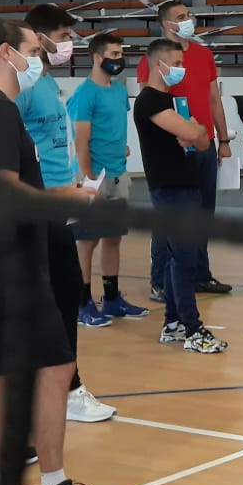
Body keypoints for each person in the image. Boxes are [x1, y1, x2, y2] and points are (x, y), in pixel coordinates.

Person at [0, 18, 105, 485]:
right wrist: (62, 199)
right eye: (33, 50)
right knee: (55, 368)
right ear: (5, 53)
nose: (39, 60)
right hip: (9, 263)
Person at [21, 4, 114, 424]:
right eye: (61, 36)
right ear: (38, 38)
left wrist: (75, 185)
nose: (68, 44)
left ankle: (65, 387)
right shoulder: (22, 89)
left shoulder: (46, 82)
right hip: (38, 206)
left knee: (62, 297)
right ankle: (65, 389)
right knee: (52, 300)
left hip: (60, 202)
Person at [134, 39, 231, 353]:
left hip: (186, 183)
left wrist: (195, 131)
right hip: (169, 187)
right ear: (158, 64)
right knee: (184, 259)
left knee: (178, 258)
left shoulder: (172, 100)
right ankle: (193, 329)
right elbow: (193, 133)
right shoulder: (150, 101)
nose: (180, 69)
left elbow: (201, 141)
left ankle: (173, 324)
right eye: (175, 64)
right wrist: (193, 130)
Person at [137, 0, 233, 300]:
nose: (188, 19)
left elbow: (214, 99)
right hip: (174, 146)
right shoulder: (155, 60)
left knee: (203, 213)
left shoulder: (203, 55)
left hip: (204, 142)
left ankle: (199, 274)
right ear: (167, 23)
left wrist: (223, 140)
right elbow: (149, 102)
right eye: (181, 16)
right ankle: (161, 280)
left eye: (188, 14)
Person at [68, 33, 148, 322]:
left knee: (113, 238)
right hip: (94, 177)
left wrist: (119, 147)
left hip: (118, 173)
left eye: (121, 54)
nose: (119, 59)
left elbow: (113, 127)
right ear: (97, 57)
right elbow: (81, 142)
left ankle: (112, 299)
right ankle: (82, 303)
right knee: (87, 241)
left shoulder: (118, 91)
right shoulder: (84, 94)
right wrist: (89, 180)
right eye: (114, 54)